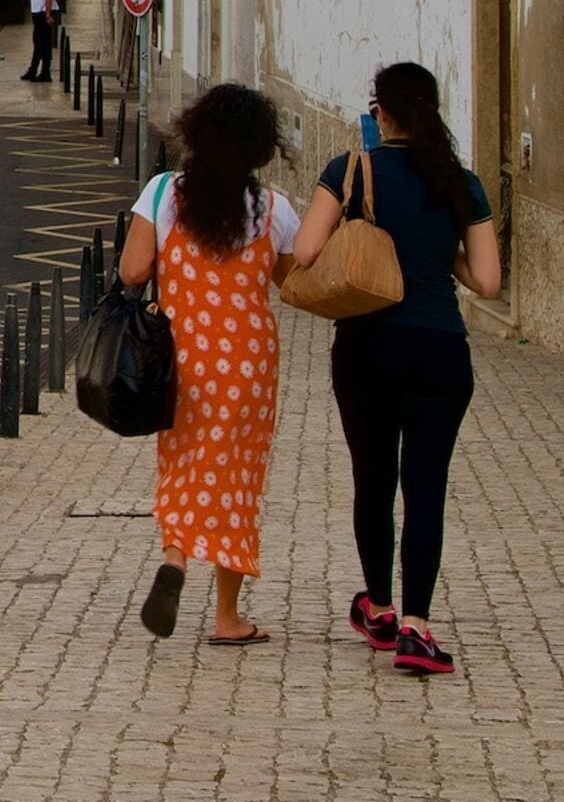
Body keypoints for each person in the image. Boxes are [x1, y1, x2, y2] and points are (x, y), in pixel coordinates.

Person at [291, 61, 500, 678]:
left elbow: (304, 251)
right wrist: (440, 253)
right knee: (426, 488)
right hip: (440, 351)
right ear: (433, 112)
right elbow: (487, 282)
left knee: (374, 481)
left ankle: (378, 610)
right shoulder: (462, 183)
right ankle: (418, 628)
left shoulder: (348, 171)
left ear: (378, 113)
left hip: (366, 349)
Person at [119, 82, 299, 647]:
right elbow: (293, 284)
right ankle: (228, 618)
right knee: (237, 480)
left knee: (184, 463)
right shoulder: (273, 209)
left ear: (195, 133)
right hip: (248, 364)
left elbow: (131, 270)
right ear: (259, 148)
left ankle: (175, 556)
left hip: (183, 360)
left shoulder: (162, 194)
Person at [19, 0, 61, 83]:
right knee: (38, 42)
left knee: (42, 42)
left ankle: (44, 71)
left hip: (43, 11)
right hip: (39, 10)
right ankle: (34, 70)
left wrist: (48, 14)